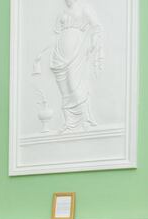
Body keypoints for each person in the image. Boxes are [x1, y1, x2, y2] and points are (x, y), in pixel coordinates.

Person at [49, 0, 104, 133]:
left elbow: (97, 26)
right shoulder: (61, 12)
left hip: (77, 49)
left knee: (75, 84)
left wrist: (94, 40)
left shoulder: (85, 8)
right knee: (64, 89)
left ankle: (85, 120)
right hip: (60, 51)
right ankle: (68, 123)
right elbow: (56, 32)